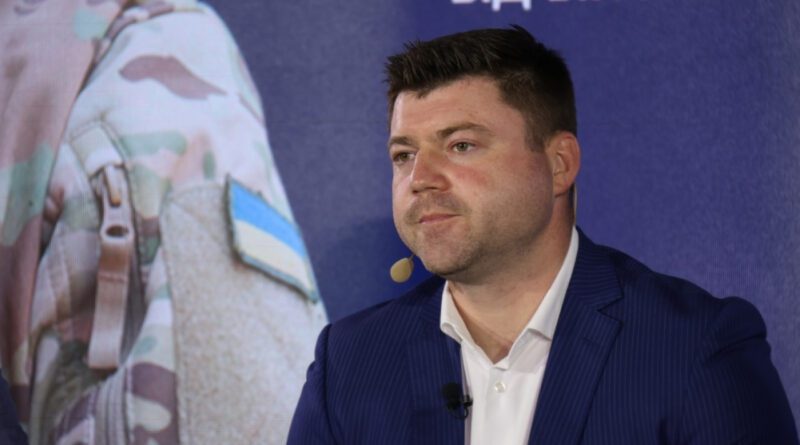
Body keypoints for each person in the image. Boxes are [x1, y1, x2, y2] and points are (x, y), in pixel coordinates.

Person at [288, 26, 798, 444]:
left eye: (461, 145)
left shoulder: (695, 347)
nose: (420, 179)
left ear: (559, 164)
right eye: (404, 155)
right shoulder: (350, 362)